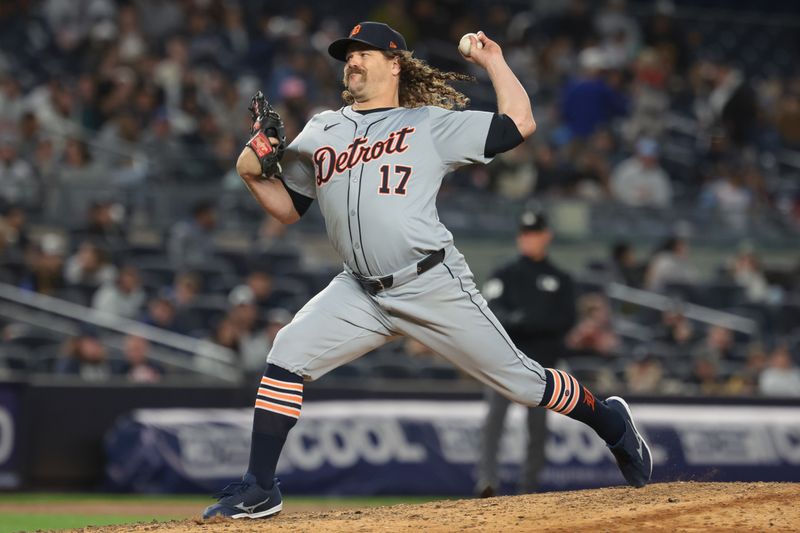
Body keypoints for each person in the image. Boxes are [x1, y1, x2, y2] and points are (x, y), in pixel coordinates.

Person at [203, 22, 651, 520]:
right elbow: (288, 209)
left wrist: (494, 61)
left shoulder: (429, 123)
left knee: (524, 384)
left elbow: (520, 123)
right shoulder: (321, 128)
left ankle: (608, 420)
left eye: (363, 53)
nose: (351, 60)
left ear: (394, 62)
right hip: (358, 289)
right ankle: (261, 487)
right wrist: (249, 171)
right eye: (347, 54)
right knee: (287, 351)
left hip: (430, 282)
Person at [475, 207, 577, 497]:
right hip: (505, 359)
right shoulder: (505, 273)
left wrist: (524, 321)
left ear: (547, 236)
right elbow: (491, 311)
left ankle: (529, 488)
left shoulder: (560, 278)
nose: (528, 239)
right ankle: (487, 480)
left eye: (534, 233)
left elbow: (566, 320)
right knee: (493, 422)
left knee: (538, 429)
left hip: (543, 363)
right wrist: (525, 321)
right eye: (524, 233)